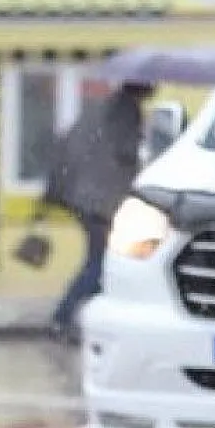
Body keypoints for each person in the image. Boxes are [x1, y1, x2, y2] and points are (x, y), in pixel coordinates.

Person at [41, 79, 154, 338]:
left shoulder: (100, 108)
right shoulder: (127, 112)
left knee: (98, 260)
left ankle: (71, 317)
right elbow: (126, 153)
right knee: (100, 263)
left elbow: (71, 145)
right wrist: (143, 142)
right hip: (100, 202)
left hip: (83, 197)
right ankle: (64, 317)